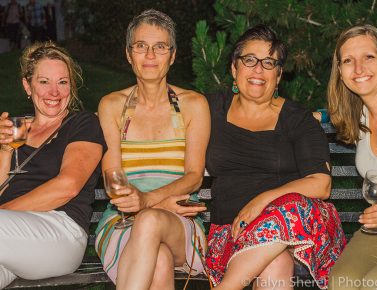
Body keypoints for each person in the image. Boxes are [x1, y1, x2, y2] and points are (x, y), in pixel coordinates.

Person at [205, 24, 346, 290]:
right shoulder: (210, 108)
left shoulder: (297, 120)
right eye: (249, 60)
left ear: (279, 75)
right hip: (231, 233)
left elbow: (321, 184)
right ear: (234, 69)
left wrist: (262, 201)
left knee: (292, 205)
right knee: (275, 263)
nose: (258, 69)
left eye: (269, 63)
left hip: (301, 238)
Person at [94, 9, 210, 290]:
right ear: (128, 53)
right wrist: (148, 205)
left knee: (149, 220)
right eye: (141, 46)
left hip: (179, 221)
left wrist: (149, 202)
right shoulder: (111, 106)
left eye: (160, 47)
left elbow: (194, 176)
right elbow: (114, 180)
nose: (149, 55)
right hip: (121, 222)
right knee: (158, 259)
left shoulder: (193, 105)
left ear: (172, 55)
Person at [0, 41, 106, 289]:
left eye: (62, 82)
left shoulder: (82, 123)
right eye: (44, 81)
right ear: (28, 85)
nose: (54, 92)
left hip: (60, 232)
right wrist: (4, 150)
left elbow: (67, 187)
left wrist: (4, 211)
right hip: (9, 239)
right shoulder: (16, 129)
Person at [327, 24, 377, 290]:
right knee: (341, 283)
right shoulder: (360, 118)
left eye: (368, 57)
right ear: (340, 72)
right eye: (348, 60)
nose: (358, 68)